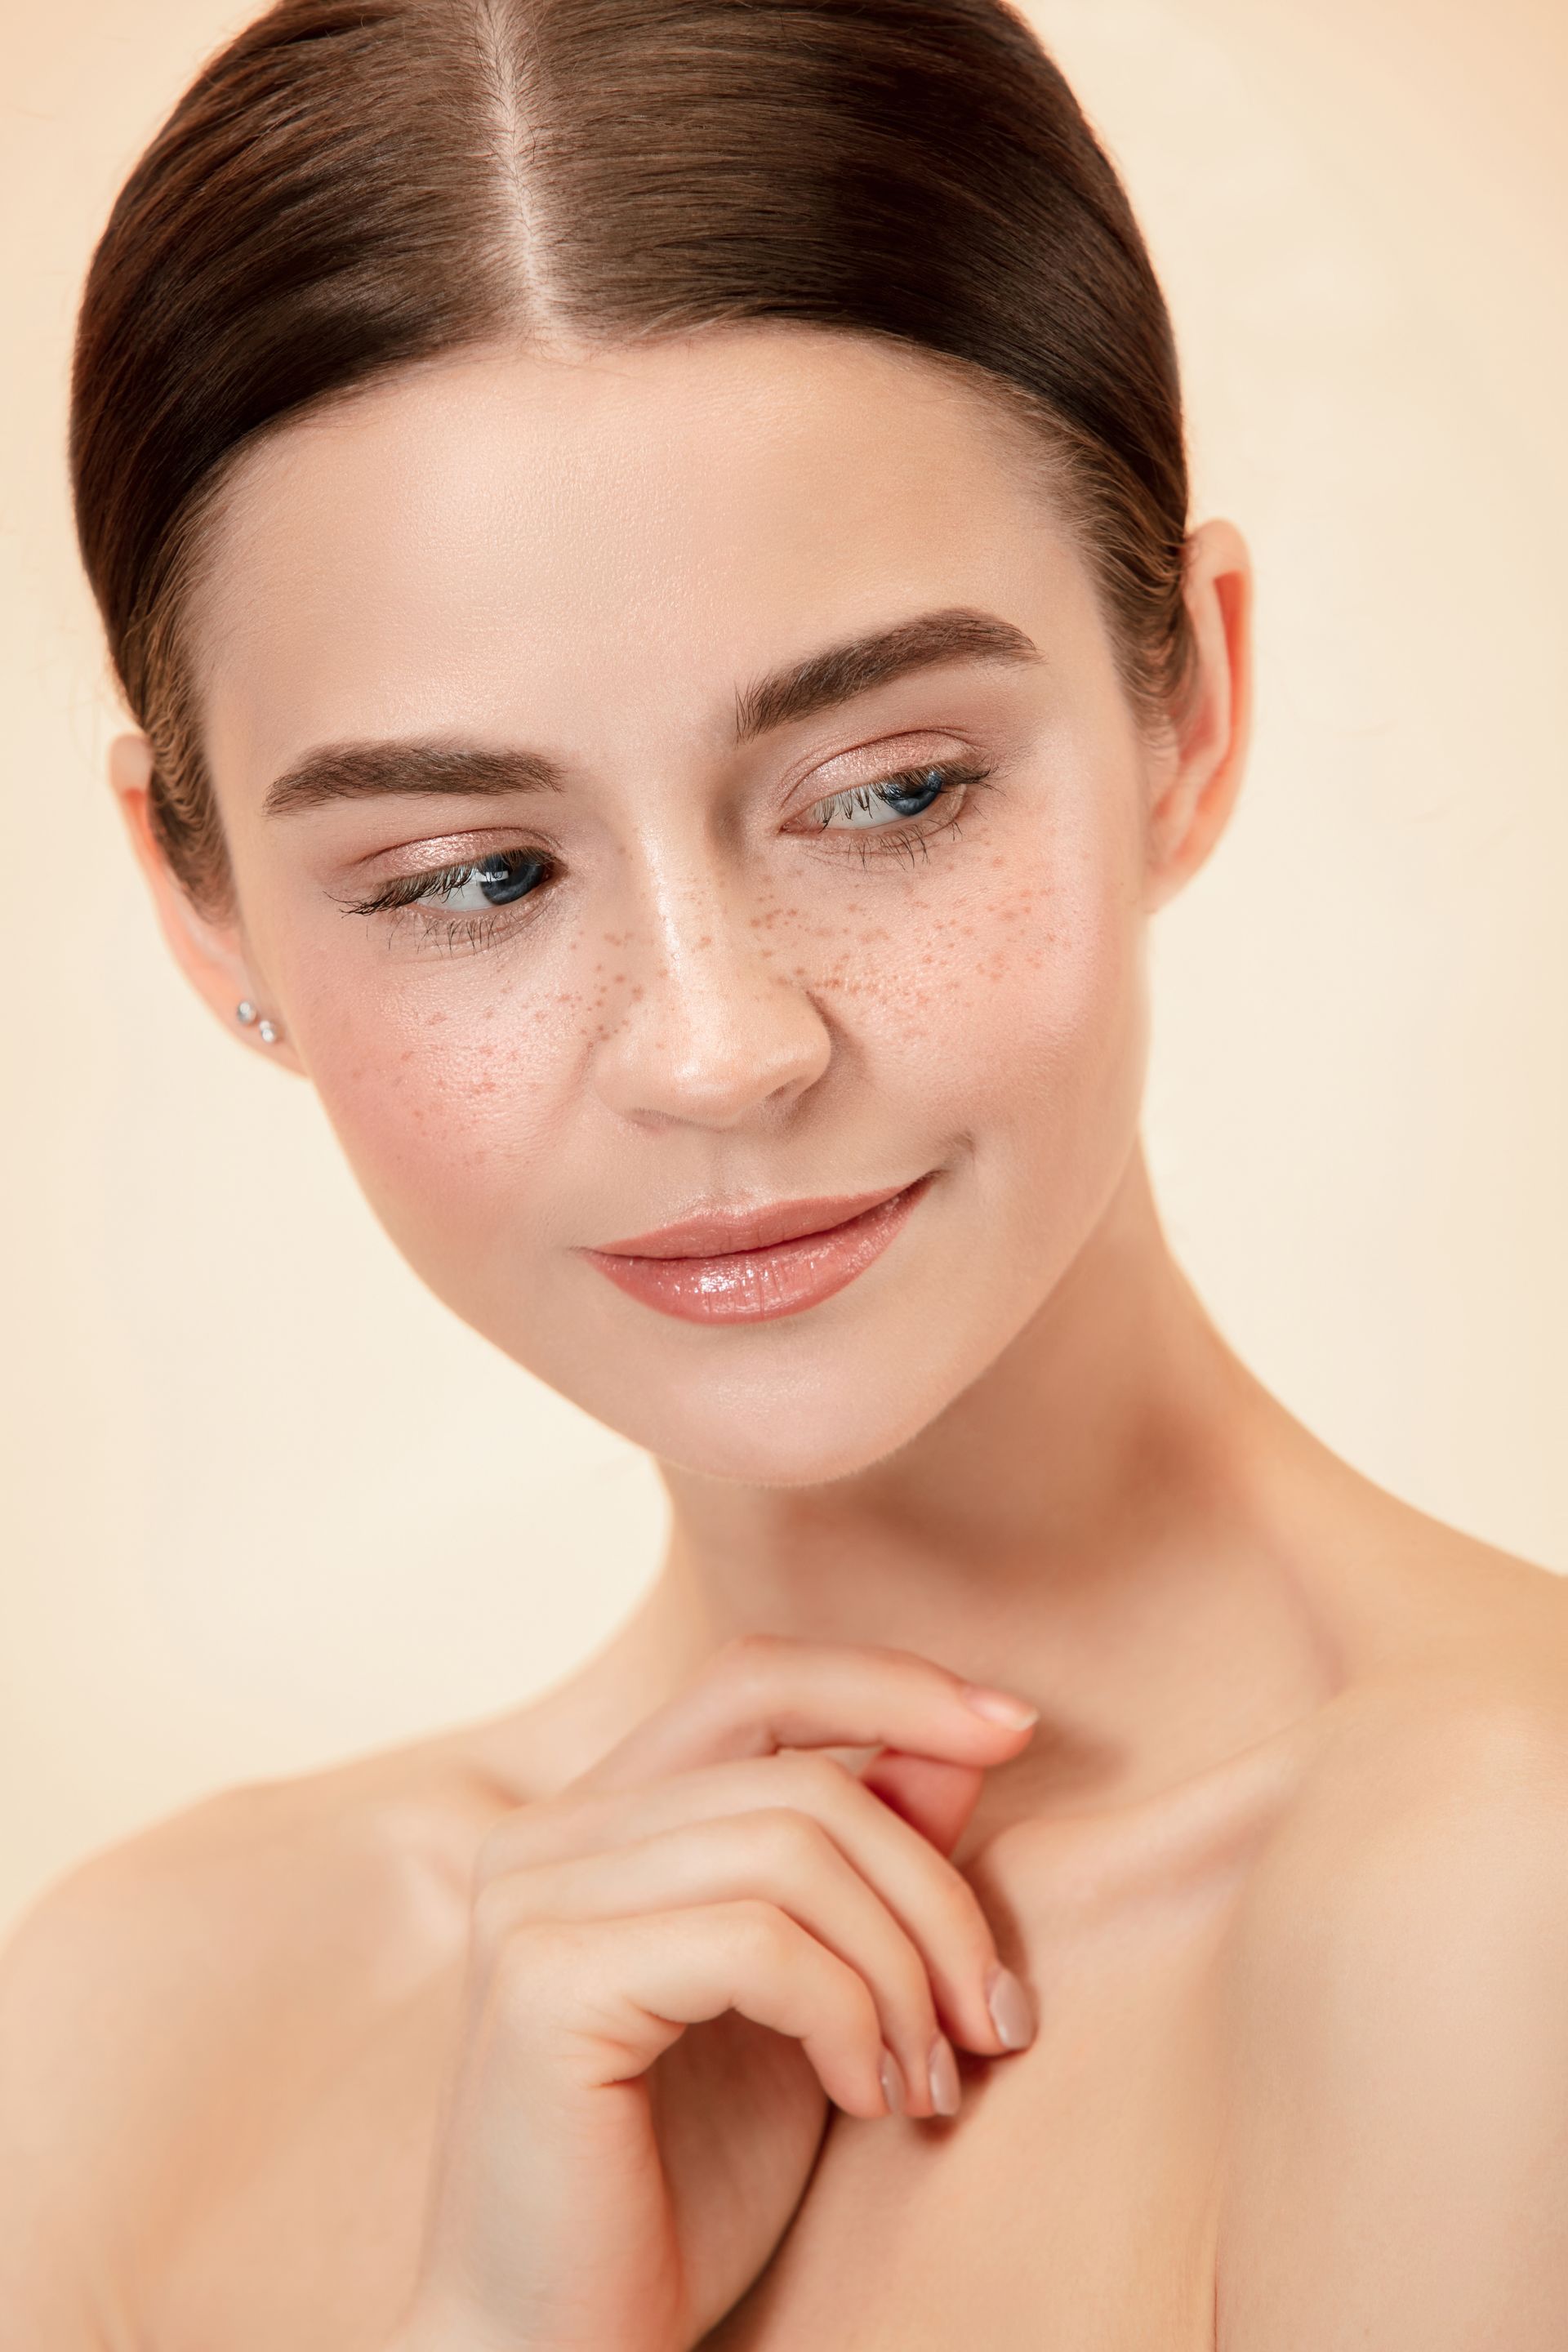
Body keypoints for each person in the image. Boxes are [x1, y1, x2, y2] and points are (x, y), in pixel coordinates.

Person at [3, 0, 1566, 2343]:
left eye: (892, 793)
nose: (725, 1049)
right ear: (200, 898)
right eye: (467, 876)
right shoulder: (137, 2029)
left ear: (1190, 705)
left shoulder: (1507, 1898)